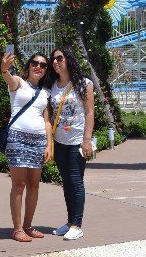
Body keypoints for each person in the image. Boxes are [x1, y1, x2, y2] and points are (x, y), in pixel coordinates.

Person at [1, 51, 52, 243]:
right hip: (18, 138)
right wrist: (4, 69)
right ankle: (17, 229)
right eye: (35, 63)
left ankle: (28, 225)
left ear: (46, 70)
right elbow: (8, 79)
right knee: (19, 184)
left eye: (43, 65)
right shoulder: (19, 83)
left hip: (38, 140)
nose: (38, 67)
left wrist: (49, 144)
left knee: (34, 185)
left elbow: (47, 121)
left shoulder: (45, 93)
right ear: (29, 65)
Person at [49, 46, 95, 241]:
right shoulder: (53, 85)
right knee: (66, 182)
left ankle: (77, 224)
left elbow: (90, 112)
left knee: (76, 181)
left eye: (59, 58)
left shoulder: (84, 84)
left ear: (68, 59)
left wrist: (87, 140)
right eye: (54, 59)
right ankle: (69, 222)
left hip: (77, 141)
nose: (56, 62)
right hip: (59, 141)